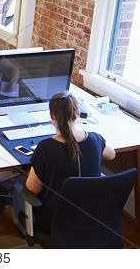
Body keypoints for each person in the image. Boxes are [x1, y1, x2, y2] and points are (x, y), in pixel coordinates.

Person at [13, 91, 116, 234]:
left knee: (18, 188)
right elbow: (111, 155)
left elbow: (32, 189)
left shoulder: (45, 148)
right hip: (91, 216)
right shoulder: (95, 139)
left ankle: (21, 225)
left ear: (52, 116)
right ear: (78, 113)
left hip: (54, 221)